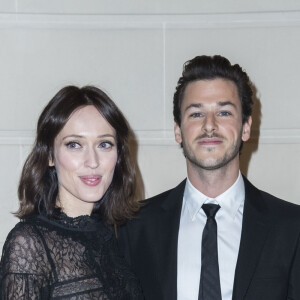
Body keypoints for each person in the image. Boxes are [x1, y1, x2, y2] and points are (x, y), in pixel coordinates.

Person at [118, 55, 300, 300]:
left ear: (246, 126)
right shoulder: (135, 227)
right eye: (196, 114)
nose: (209, 126)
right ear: (177, 130)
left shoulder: (291, 228)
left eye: (224, 113)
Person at [0, 86, 144, 299]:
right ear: (49, 155)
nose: (93, 161)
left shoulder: (112, 237)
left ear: (118, 156)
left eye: (104, 144)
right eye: (75, 145)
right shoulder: (29, 243)